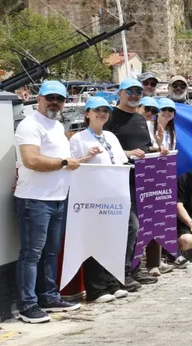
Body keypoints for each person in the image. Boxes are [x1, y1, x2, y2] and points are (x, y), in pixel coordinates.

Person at [13, 80, 84, 323]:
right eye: (50, 97)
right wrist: (64, 164)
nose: (55, 102)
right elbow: (31, 160)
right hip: (35, 200)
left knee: (51, 252)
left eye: (60, 98)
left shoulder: (55, 125)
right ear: (39, 98)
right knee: (31, 254)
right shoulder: (29, 125)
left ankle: (49, 296)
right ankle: (28, 305)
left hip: (57, 199)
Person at [68, 97, 135, 301]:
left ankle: (112, 283)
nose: (102, 114)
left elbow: (121, 164)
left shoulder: (111, 137)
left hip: (115, 197)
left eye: (105, 110)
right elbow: (71, 166)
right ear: (87, 113)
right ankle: (96, 288)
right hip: (92, 197)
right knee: (95, 241)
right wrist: (86, 157)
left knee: (114, 240)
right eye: (97, 110)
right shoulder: (78, 139)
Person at [105, 77, 162, 284]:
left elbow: (145, 148)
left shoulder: (140, 119)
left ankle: (133, 269)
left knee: (139, 228)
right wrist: (128, 153)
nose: (134, 95)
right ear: (120, 93)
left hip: (140, 181)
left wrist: (158, 150)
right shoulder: (109, 117)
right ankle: (122, 273)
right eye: (130, 91)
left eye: (138, 92)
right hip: (118, 182)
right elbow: (104, 146)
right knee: (131, 227)